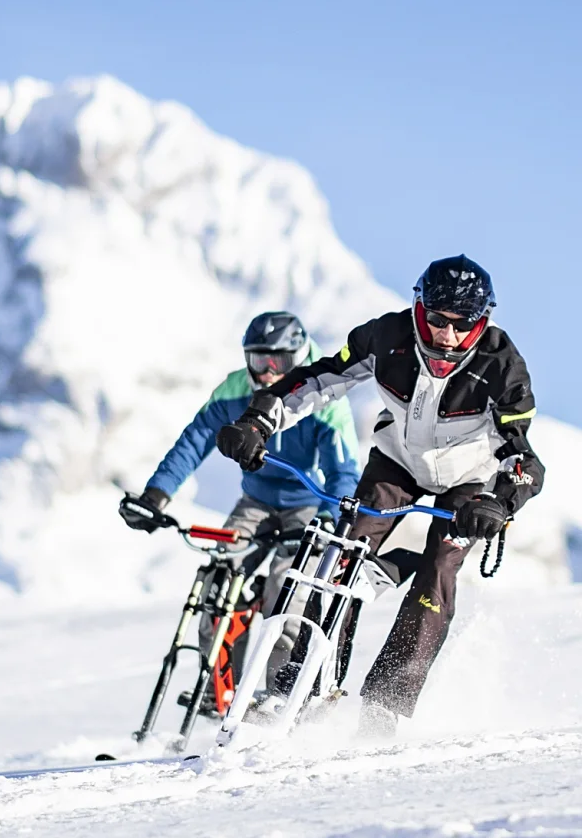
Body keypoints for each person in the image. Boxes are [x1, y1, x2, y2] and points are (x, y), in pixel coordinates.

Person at [216, 255, 545, 739]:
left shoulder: (503, 366)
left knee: (437, 575)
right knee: (340, 559)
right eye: (437, 319)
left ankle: (384, 708)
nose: (447, 336)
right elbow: (320, 378)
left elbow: (523, 460)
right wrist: (258, 421)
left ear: (483, 322)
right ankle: (303, 690)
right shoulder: (386, 337)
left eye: (462, 325)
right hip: (397, 464)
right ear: (420, 308)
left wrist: (498, 502)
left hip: (468, 483)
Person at [119, 311, 360, 699]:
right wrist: (156, 495)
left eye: (277, 362)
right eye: (257, 359)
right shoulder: (233, 390)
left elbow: (343, 470)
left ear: (298, 358)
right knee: (218, 578)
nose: (266, 372)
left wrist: (330, 519)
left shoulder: (322, 396)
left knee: (289, 592)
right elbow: (195, 439)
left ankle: (278, 698)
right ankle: (219, 690)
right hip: (256, 502)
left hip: (308, 506)